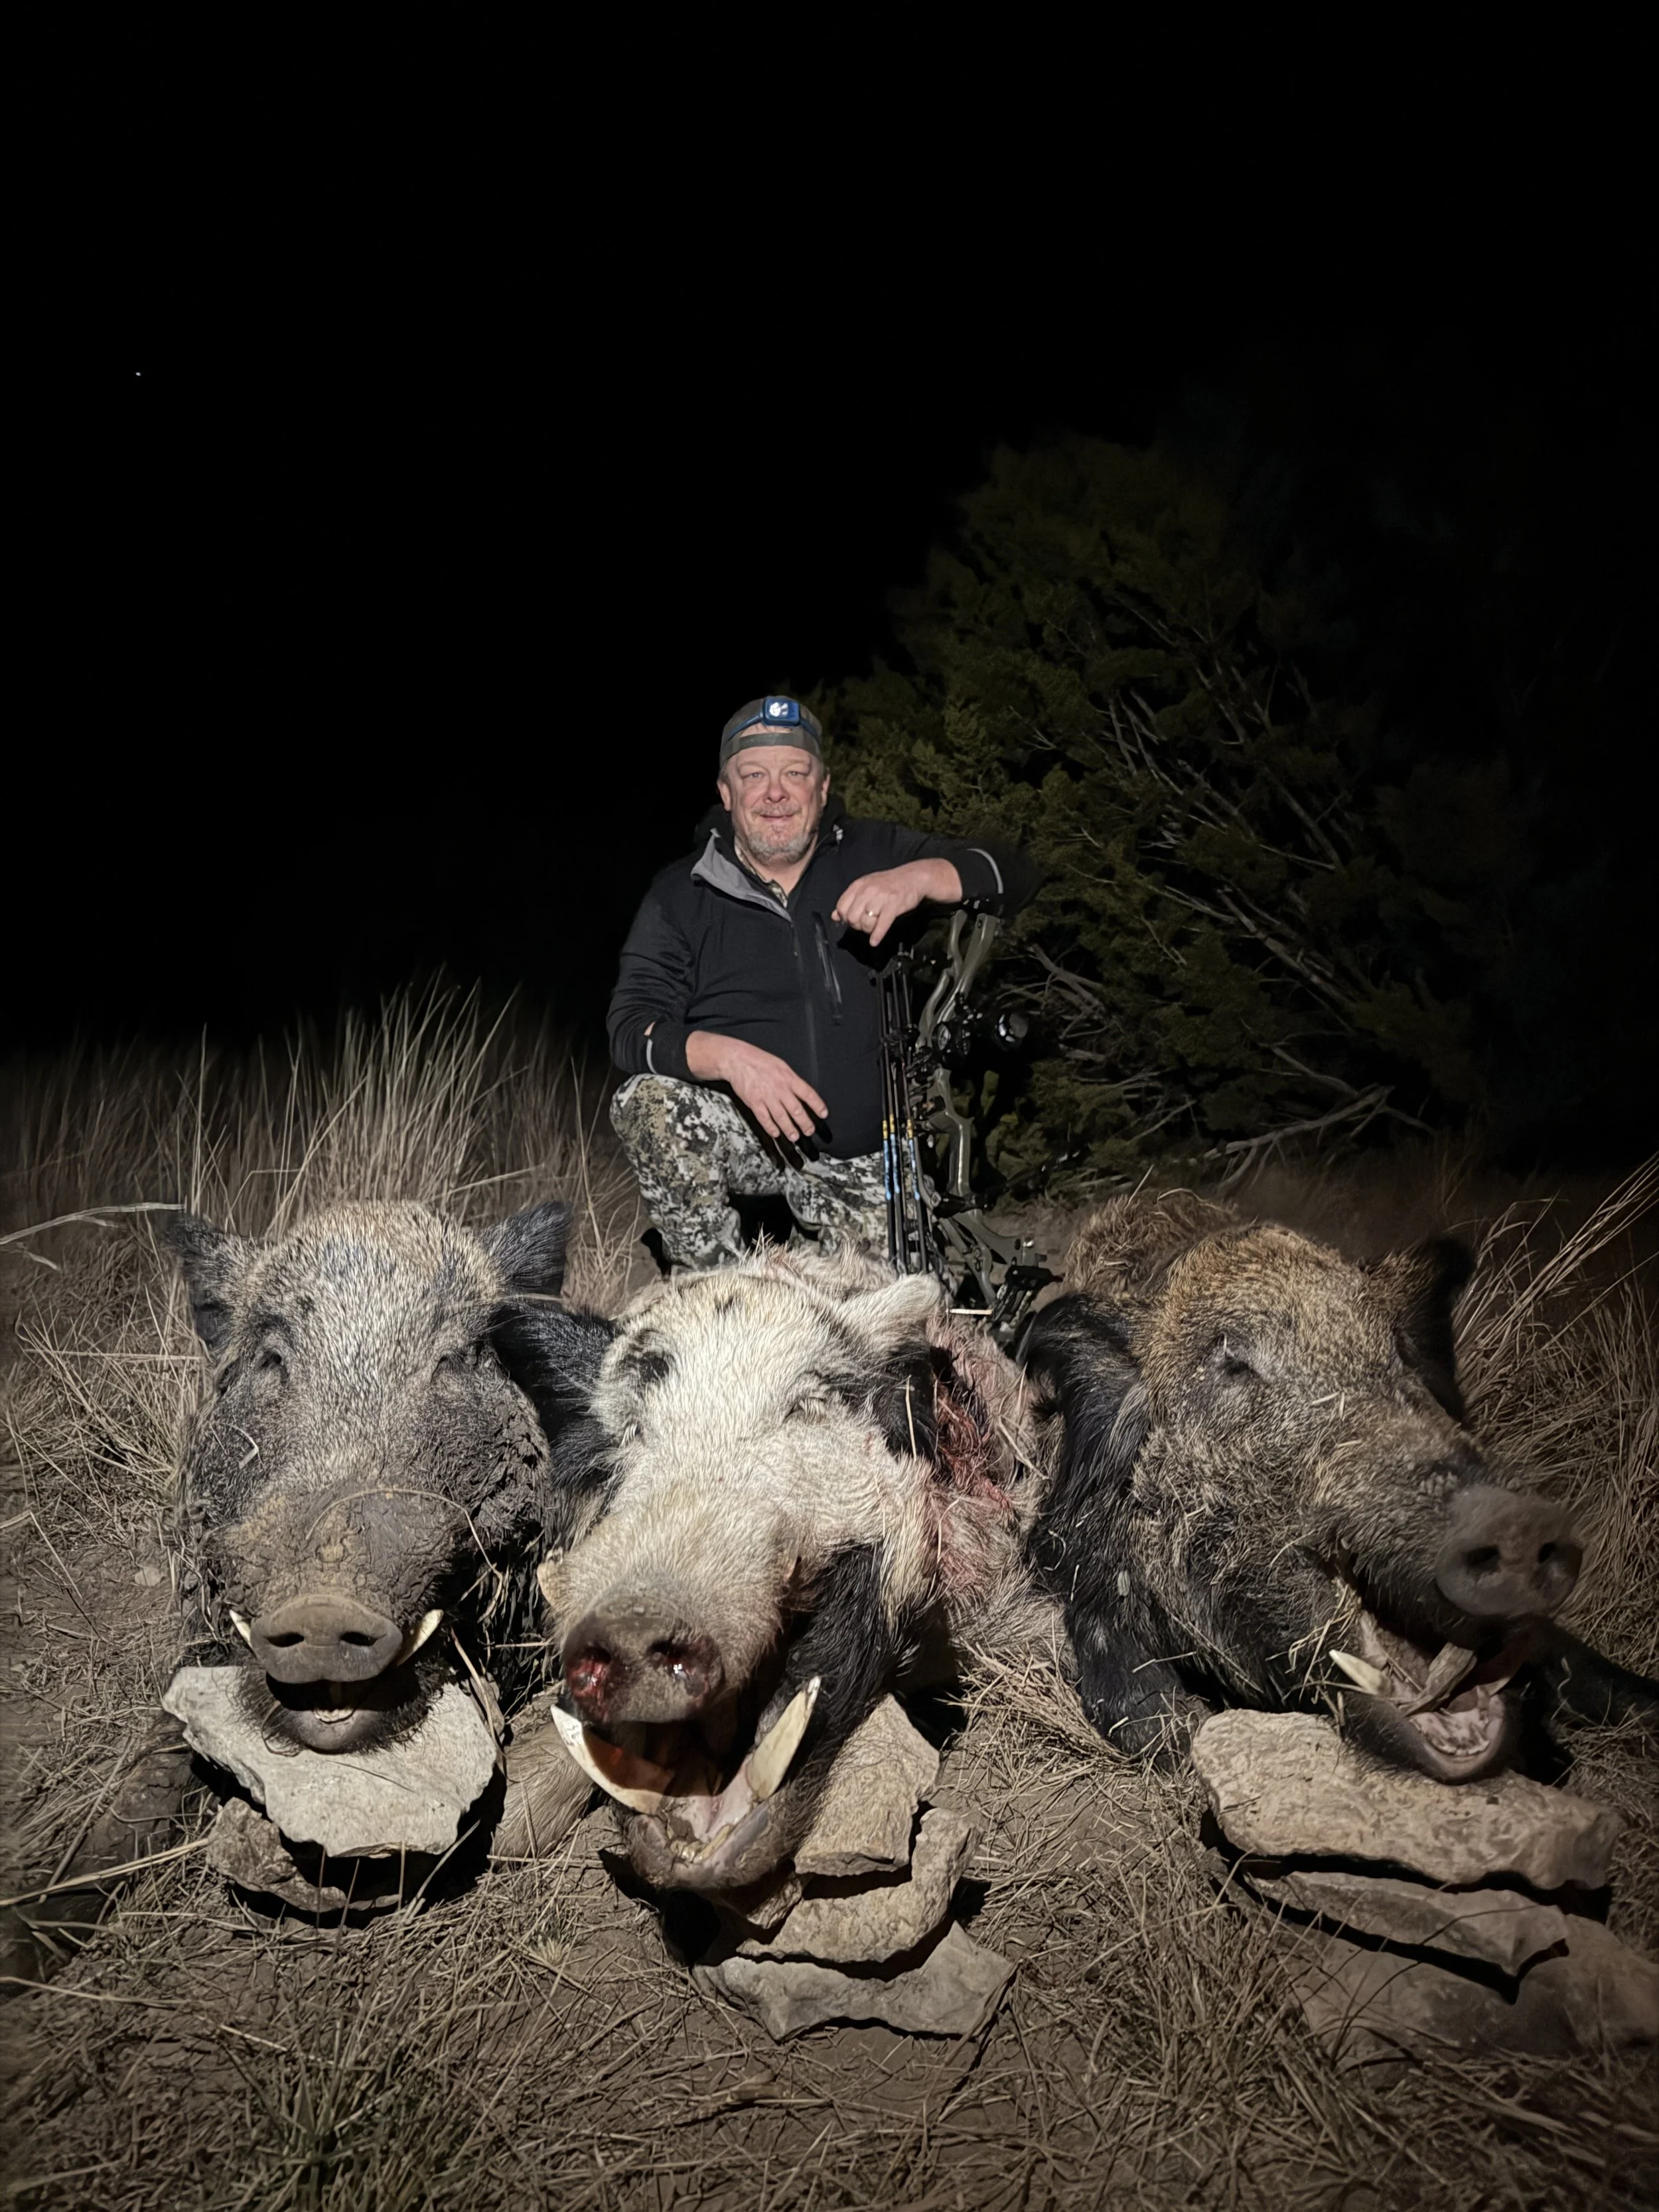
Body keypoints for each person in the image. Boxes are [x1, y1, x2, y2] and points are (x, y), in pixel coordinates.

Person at [607, 694, 1037, 1270]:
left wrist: (918, 877)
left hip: (865, 1157)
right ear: (727, 792)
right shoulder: (679, 894)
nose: (776, 792)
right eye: (754, 775)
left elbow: (1014, 871)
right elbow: (631, 1027)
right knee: (647, 1101)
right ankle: (718, 1290)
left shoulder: (873, 851)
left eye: (795, 772)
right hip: (751, 1143)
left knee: (890, 1324)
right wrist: (731, 1058)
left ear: (824, 787)